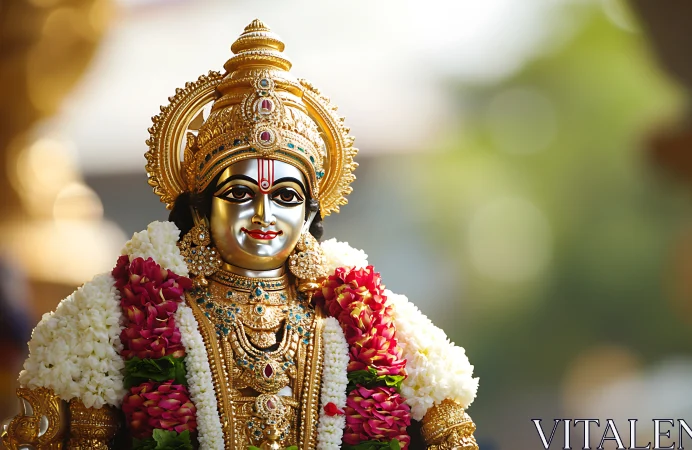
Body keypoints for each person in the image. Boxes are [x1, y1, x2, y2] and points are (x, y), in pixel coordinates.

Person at [2, 20, 479, 450]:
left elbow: (451, 435)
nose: (264, 213)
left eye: (288, 197)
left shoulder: (373, 321)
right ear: (202, 208)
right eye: (240, 192)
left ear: (312, 212)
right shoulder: (118, 317)